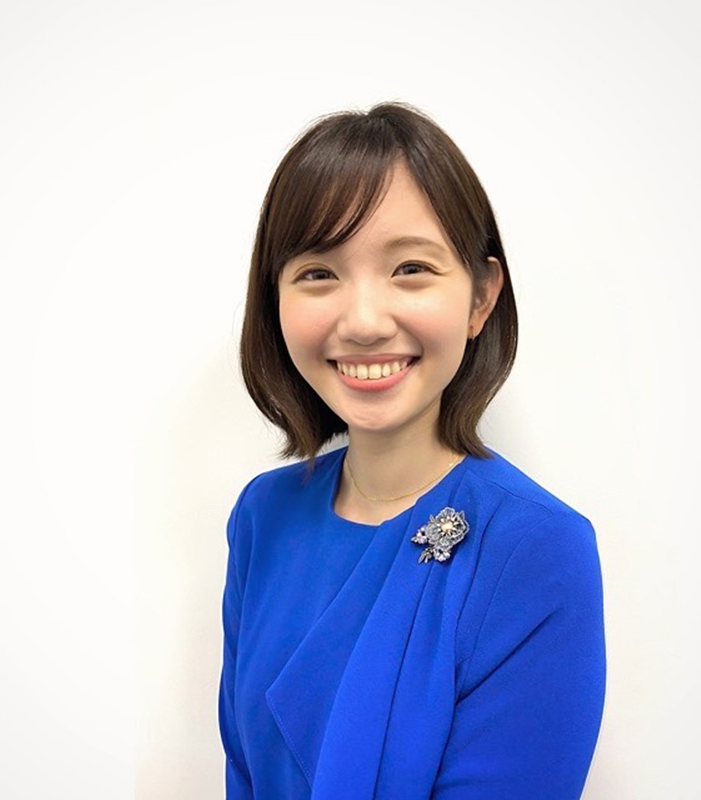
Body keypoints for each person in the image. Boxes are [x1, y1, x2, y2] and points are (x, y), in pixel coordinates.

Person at [219, 102, 605, 799]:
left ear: (481, 297)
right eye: (318, 273)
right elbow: (245, 774)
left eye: (411, 268)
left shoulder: (537, 549)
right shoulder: (261, 516)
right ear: (274, 299)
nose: (365, 322)